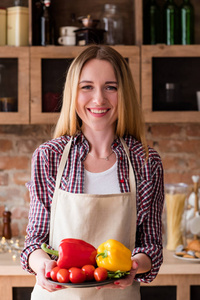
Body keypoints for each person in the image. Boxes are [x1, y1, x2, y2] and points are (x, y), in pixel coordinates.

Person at [21, 45, 164, 300]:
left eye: (111, 87)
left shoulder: (146, 161)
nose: (99, 99)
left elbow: (151, 245)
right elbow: (34, 240)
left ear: (125, 94)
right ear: (73, 93)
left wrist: (133, 268)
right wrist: (41, 263)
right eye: (87, 87)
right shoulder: (49, 157)